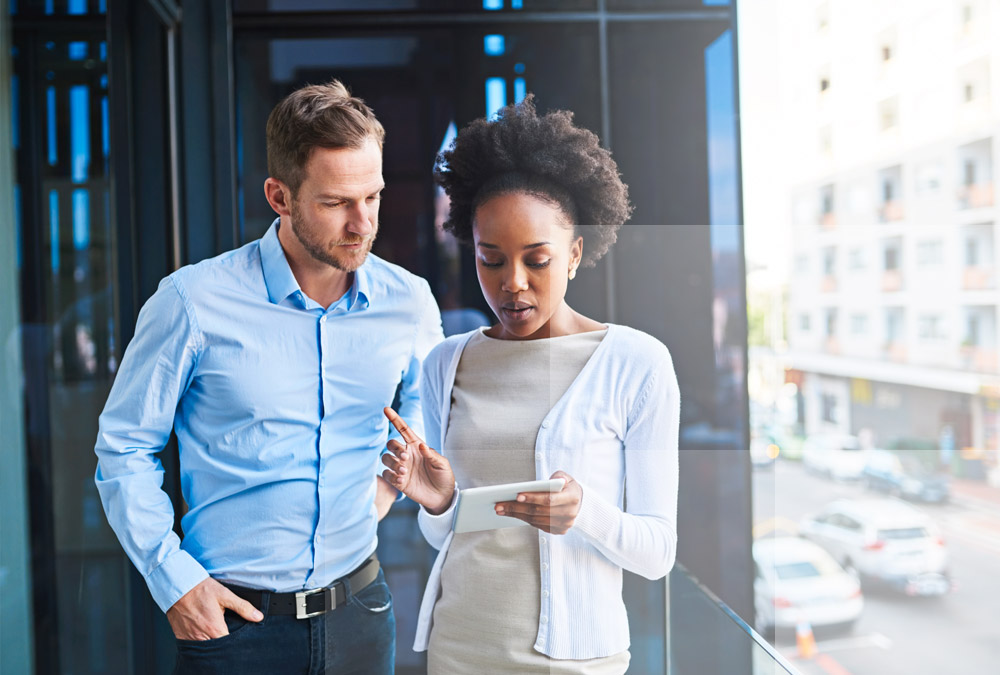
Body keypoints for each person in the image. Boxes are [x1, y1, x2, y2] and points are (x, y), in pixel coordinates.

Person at [94, 80, 443, 674]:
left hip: (361, 612)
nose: (362, 224)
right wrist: (173, 581)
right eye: (336, 203)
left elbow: (426, 410)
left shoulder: (409, 302)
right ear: (279, 197)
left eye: (374, 197)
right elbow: (124, 447)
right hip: (233, 627)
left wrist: (382, 490)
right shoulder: (191, 303)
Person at [380, 97, 680, 674]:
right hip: (460, 646)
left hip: (573, 662)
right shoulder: (447, 362)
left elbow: (657, 552)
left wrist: (584, 512)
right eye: (491, 260)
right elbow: (447, 536)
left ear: (572, 255)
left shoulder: (636, 363)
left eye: (536, 260)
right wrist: (439, 501)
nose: (511, 284)